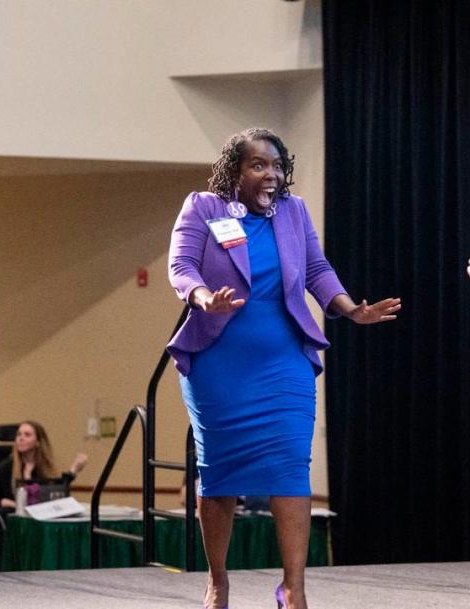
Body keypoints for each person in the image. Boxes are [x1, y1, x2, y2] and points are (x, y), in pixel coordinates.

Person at [167, 127, 400, 609]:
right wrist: (203, 296)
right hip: (218, 362)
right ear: (236, 170)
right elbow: (181, 265)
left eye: (276, 165)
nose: (270, 174)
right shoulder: (203, 208)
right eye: (258, 165)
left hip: (284, 361)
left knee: (292, 468)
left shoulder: (292, 213)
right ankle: (217, 581)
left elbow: (316, 269)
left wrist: (349, 308)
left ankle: (293, 588)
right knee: (219, 474)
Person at [0, 421, 87, 570]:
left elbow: (57, 494)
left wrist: (73, 470)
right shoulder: (6, 467)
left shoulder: (45, 470)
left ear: (38, 442)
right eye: (19, 435)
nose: (21, 438)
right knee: (1, 520)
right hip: (9, 520)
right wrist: (4, 502)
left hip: (35, 519)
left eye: (27, 435)